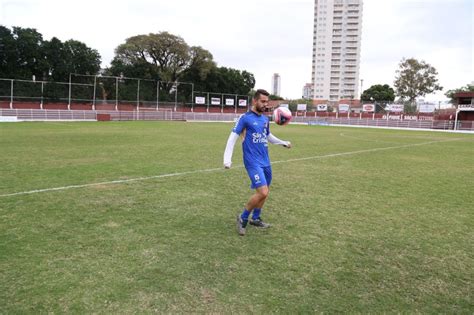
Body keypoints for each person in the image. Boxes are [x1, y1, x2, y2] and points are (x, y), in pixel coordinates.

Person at [223, 89, 292, 236]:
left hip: (265, 161)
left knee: (264, 194)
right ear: (254, 101)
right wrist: (227, 159)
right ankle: (242, 218)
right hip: (252, 162)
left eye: (267, 102)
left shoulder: (265, 120)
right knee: (263, 191)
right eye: (263, 101)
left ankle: (256, 218)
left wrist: (283, 143)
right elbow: (232, 138)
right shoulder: (245, 118)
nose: (265, 104)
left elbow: (268, 136)